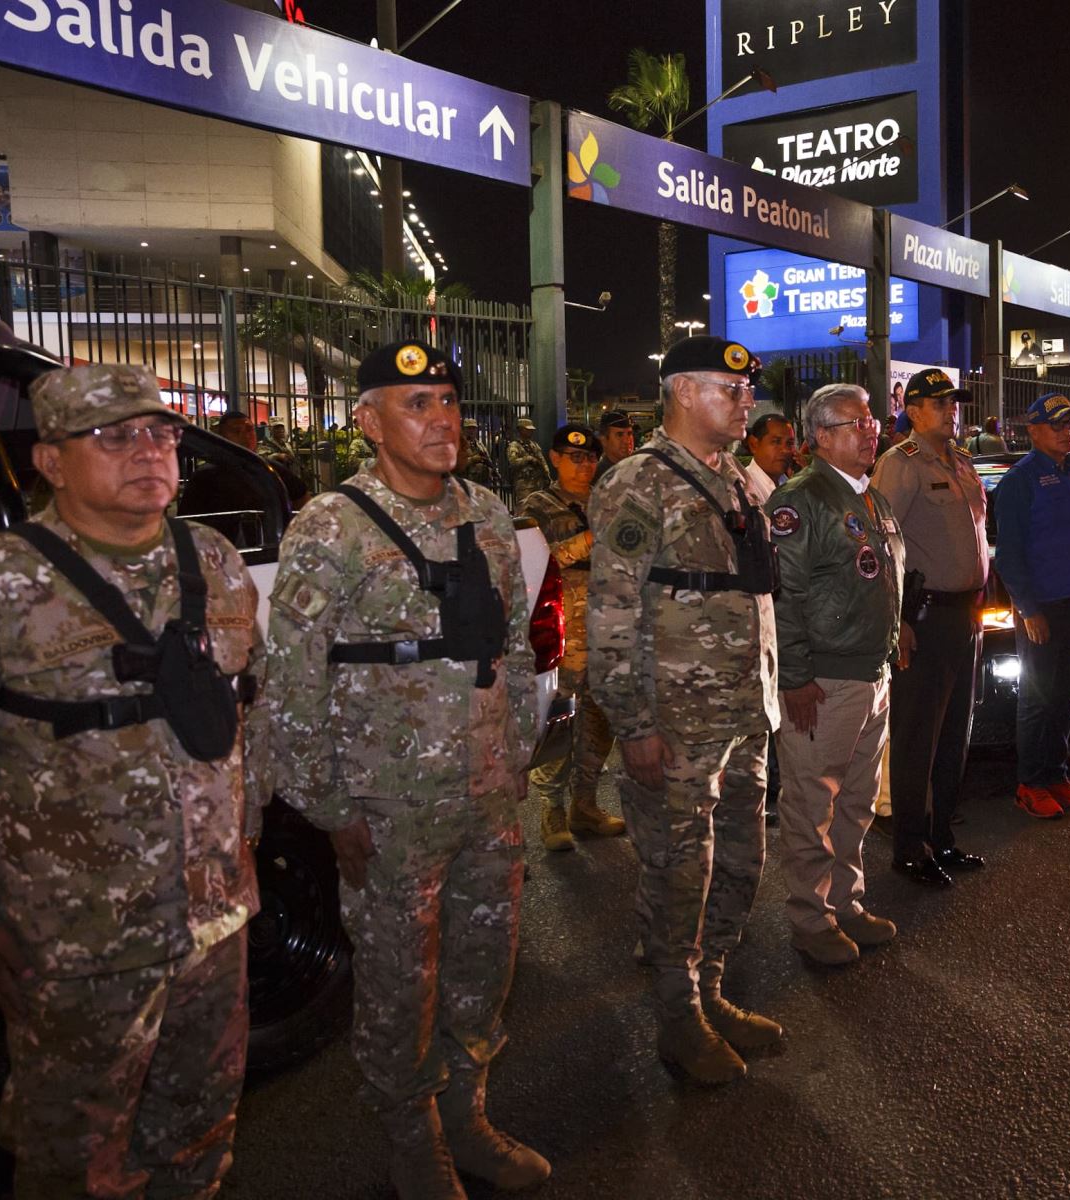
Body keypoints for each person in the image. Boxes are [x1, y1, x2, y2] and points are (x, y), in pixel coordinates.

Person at [0, 364, 262, 1198]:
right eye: (114, 436)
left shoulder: (213, 559)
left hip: (213, 919)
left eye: (161, 433)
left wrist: (249, 842)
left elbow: (250, 708)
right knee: (74, 1155)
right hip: (75, 935)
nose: (148, 452)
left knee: (200, 1130)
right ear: (50, 461)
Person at [262, 340, 548, 1198]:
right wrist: (326, 807)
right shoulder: (331, 525)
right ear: (369, 421)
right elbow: (293, 675)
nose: (442, 419)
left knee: (483, 961)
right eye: (416, 404)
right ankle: (412, 1133)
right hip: (387, 804)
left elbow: (514, 645)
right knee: (397, 977)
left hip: (487, 791)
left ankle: (468, 1114)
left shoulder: (489, 513)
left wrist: (521, 750)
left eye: (450, 402)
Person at [586, 335, 784, 1087]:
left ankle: (711, 992)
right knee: (679, 872)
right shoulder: (636, 484)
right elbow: (608, 615)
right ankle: (678, 1018)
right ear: (681, 393)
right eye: (729, 390)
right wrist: (632, 724)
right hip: (674, 720)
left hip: (742, 710)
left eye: (746, 390)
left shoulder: (738, 480)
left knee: (741, 859)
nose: (744, 402)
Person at [766, 383, 905, 965]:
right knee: (810, 804)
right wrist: (795, 678)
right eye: (856, 422)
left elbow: (883, 578)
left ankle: (847, 903)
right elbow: (784, 596)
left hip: (871, 675)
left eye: (871, 419)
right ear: (822, 436)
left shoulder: (869, 497)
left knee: (857, 802)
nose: (871, 428)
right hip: (824, 681)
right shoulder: (801, 499)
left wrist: (896, 640)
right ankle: (811, 918)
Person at [871, 368, 991, 884]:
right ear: (914, 411)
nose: (951, 410)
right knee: (918, 734)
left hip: (966, 614)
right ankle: (910, 846)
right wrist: (896, 619)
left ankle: (943, 838)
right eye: (939, 403)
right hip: (927, 615)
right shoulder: (901, 465)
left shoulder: (962, 463)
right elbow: (879, 545)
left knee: (955, 733)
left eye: (954, 402)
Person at [991, 392, 1070, 819]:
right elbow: (1010, 554)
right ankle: (1030, 783)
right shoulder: (1020, 481)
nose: (1066, 431)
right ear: (1033, 430)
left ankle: (1056, 775)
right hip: (1044, 610)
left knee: (1064, 696)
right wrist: (1027, 608)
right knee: (1037, 700)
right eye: (1056, 424)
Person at [518, 422, 625, 853]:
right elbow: (540, 560)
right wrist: (591, 538)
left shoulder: (609, 500)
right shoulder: (538, 506)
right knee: (559, 720)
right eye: (575, 457)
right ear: (554, 458)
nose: (584, 465)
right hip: (565, 631)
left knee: (601, 722)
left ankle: (586, 804)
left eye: (590, 457)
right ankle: (551, 809)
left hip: (609, 626)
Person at [741, 411, 798, 828]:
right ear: (753, 445)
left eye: (789, 441)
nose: (785, 449)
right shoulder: (745, 490)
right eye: (775, 441)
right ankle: (768, 788)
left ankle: (779, 784)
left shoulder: (788, 487)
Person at [179, 409, 267, 515]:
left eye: (249, 429)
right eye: (237, 431)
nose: (245, 436)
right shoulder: (206, 477)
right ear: (222, 436)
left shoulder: (270, 470)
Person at [504, 416, 553, 508]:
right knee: (525, 507)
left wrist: (547, 474)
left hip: (538, 482)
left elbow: (542, 460)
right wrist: (527, 459)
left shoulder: (533, 445)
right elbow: (513, 462)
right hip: (524, 484)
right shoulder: (515, 445)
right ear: (520, 429)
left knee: (539, 508)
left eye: (531, 430)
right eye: (528, 429)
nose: (531, 431)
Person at [456, 416, 502, 492]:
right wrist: (473, 459)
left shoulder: (479, 444)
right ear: (464, 429)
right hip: (466, 481)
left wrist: (491, 470)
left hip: (481, 482)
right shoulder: (460, 444)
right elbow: (458, 464)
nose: (471, 431)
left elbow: (487, 459)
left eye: (473, 428)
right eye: (469, 428)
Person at [593, 409, 636, 482]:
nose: (627, 441)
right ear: (604, 440)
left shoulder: (640, 467)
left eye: (629, 434)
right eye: (620, 435)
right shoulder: (597, 476)